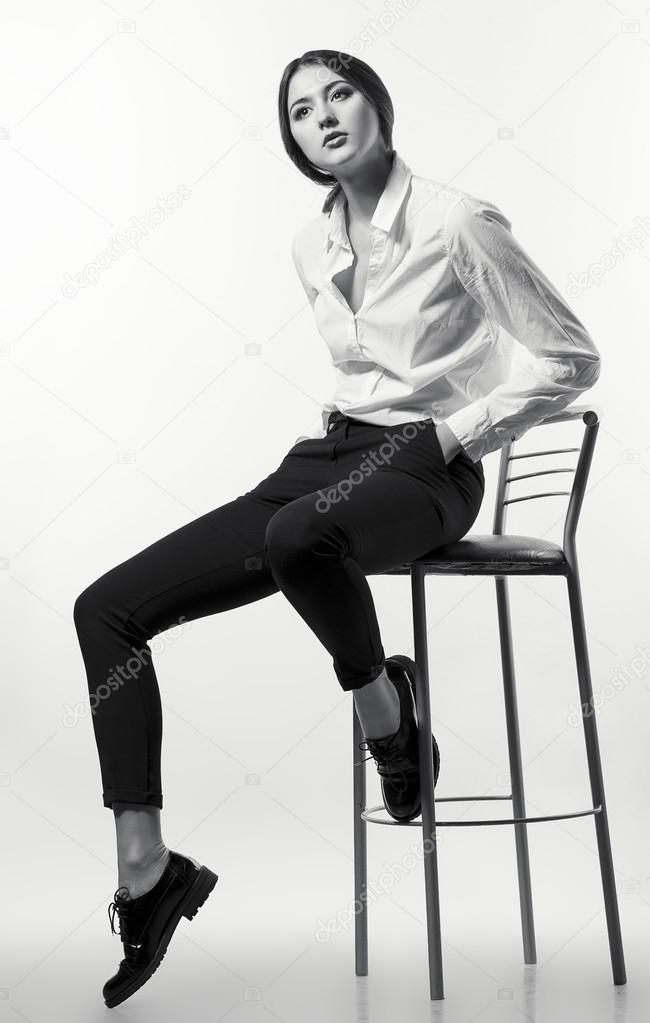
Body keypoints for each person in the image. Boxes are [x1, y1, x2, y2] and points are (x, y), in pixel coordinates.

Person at [73, 48, 601, 1007]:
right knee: (105, 606)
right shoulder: (311, 246)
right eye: (301, 109)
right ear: (294, 141)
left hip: (428, 466)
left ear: (378, 104)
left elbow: (571, 354)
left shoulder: (457, 219)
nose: (322, 116)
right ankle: (147, 871)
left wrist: (456, 428)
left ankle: (385, 718)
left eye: (339, 93)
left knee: (297, 540)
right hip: (324, 464)